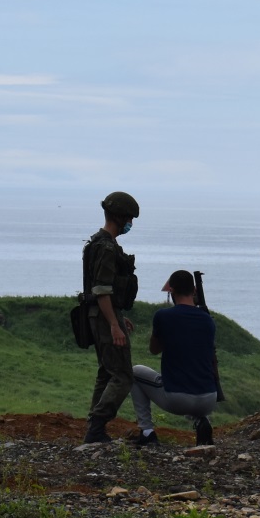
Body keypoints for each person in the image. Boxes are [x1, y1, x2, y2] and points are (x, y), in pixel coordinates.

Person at [129, 270, 218, 447]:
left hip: (177, 400)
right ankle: (203, 421)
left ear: (171, 290)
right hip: (209, 399)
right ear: (194, 290)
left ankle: (147, 432)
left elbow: (154, 350)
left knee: (134, 373)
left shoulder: (163, 316)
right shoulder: (208, 320)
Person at [79, 191, 141, 444]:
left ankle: (95, 429)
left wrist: (117, 316)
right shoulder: (105, 247)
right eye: (128, 218)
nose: (131, 224)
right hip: (104, 316)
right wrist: (114, 324)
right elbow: (102, 290)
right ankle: (97, 426)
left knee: (106, 372)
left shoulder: (99, 243)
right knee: (123, 375)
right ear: (117, 216)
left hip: (101, 314)